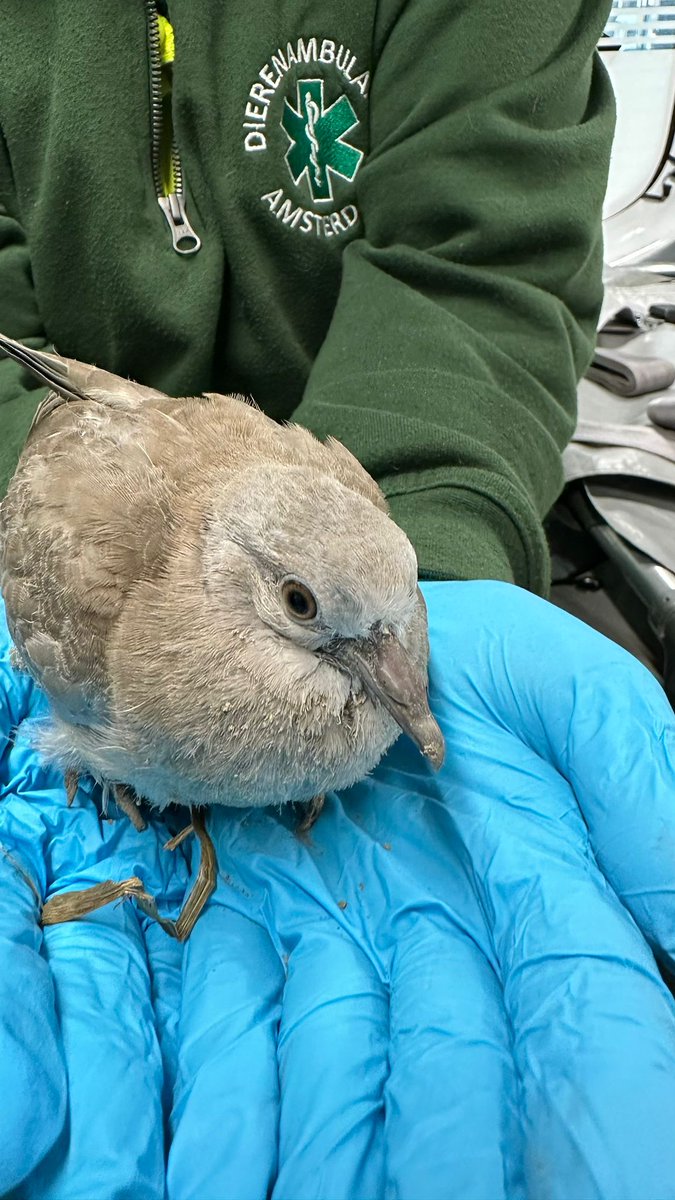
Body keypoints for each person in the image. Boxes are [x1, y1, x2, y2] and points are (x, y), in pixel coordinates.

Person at [2, 3, 675, 1198]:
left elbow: (480, 261)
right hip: (106, 502)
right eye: (315, 612)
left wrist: (437, 544)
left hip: (340, 502)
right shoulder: (114, 598)